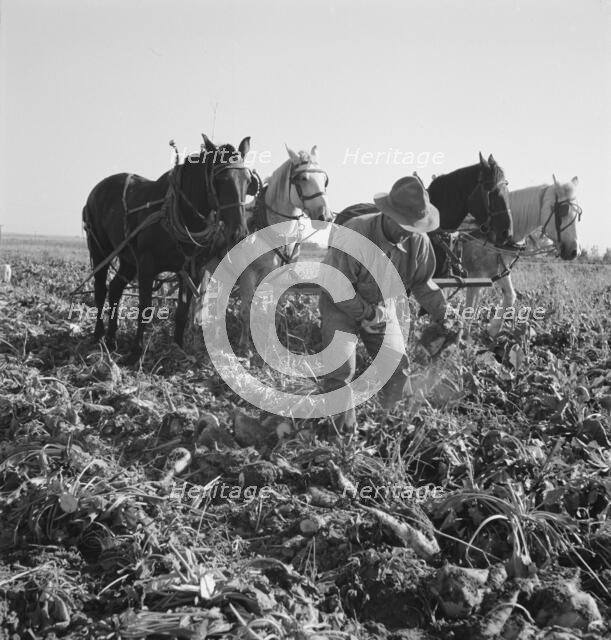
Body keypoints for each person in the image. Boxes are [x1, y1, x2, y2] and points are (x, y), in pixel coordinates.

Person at [319, 175, 451, 434]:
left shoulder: (418, 242)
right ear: (386, 214)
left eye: (413, 227)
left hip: (380, 306)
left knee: (397, 368)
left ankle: (388, 428)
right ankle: (339, 437)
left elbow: (422, 282)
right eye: (403, 224)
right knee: (341, 369)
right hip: (340, 304)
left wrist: (444, 312)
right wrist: (368, 313)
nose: (407, 232)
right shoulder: (356, 233)